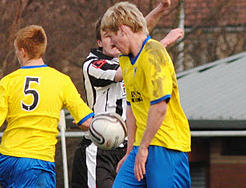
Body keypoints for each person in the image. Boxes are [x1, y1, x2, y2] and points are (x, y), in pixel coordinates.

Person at [0, 25, 93, 188]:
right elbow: (87, 122)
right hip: (37, 160)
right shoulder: (61, 81)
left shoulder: (9, 81)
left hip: (8, 160)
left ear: (22, 51)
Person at [71, 0, 184, 187]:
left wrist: (159, 10)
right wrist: (165, 42)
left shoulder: (131, 55)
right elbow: (134, 51)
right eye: (107, 37)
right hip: (100, 148)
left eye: (114, 36)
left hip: (132, 145)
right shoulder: (94, 63)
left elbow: (135, 32)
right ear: (99, 42)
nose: (113, 42)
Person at [99, 2, 191, 187]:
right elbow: (132, 106)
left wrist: (142, 148)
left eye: (111, 37)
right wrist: (131, 149)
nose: (111, 44)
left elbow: (159, 108)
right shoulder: (125, 59)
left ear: (123, 30)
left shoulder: (154, 54)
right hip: (142, 146)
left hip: (167, 145)